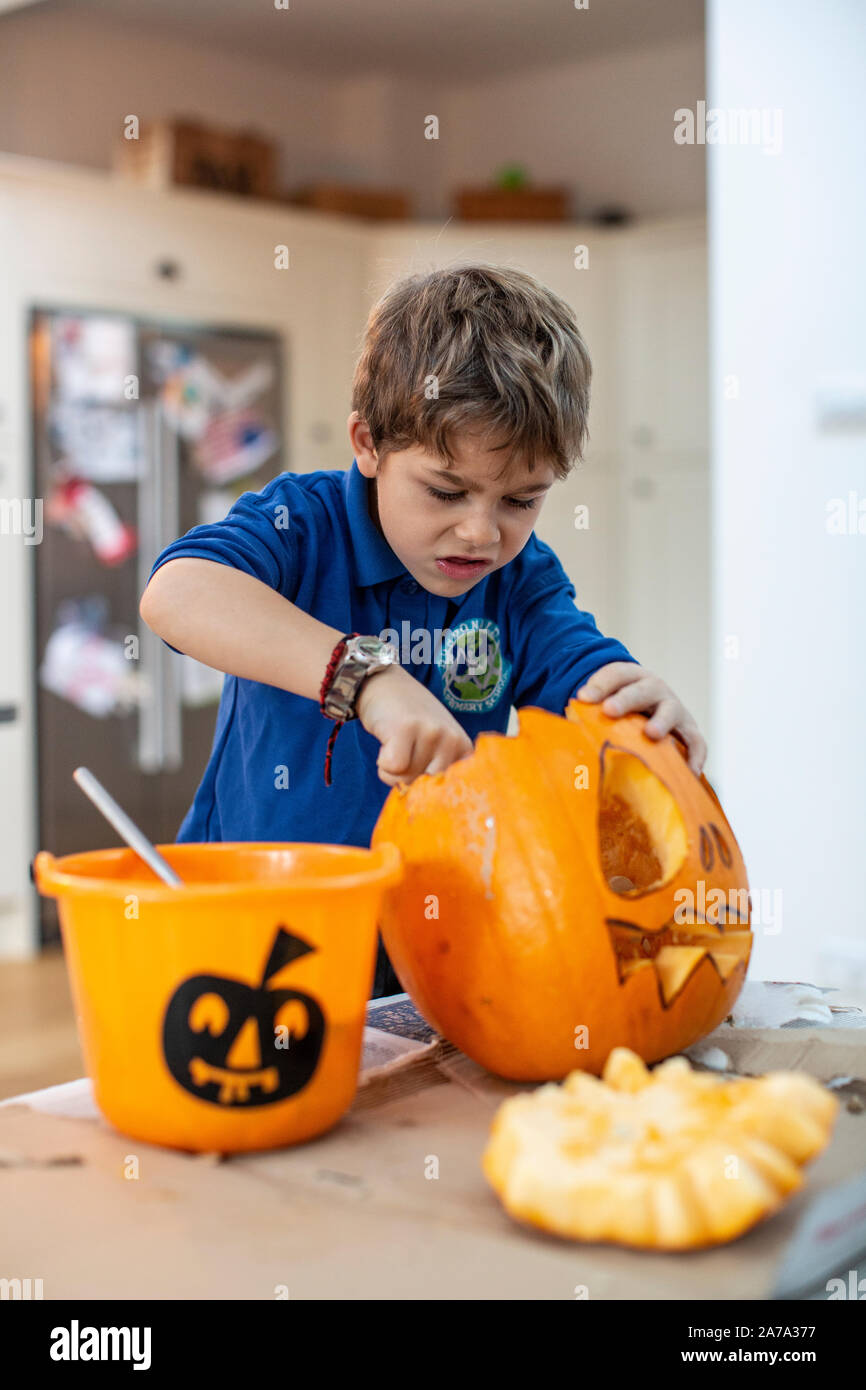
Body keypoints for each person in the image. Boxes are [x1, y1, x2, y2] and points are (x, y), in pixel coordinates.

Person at [140, 264, 706, 997]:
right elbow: (176, 594)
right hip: (251, 932)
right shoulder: (301, 525)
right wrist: (366, 678)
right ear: (368, 444)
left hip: (432, 950)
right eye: (447, 490)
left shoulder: (521, 582)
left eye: (521, 501)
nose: (481, 532)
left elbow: (585, 676)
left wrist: (639, 707)